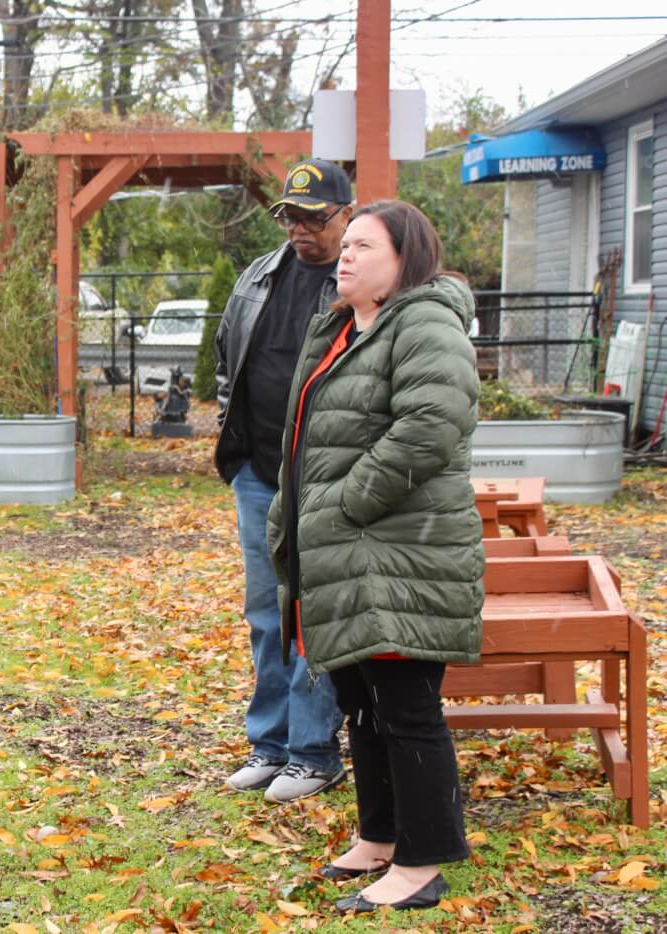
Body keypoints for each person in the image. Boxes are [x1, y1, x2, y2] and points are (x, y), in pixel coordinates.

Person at [267, 200, 483, 912]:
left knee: (406, 704)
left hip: (400, 553)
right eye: (347, 245)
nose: (346, 256)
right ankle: (382, 836)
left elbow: (433, 424)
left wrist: (348, 501)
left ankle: (424, 860)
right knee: (361, 701)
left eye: (364, 245)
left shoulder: (422, 320)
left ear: (404, 259)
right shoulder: (339, 327)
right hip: (346, 552)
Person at [212, 160, 351, 802]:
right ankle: (268, 746)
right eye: (290, 216)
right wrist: (231, 432)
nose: (299, 228)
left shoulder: (357, 285)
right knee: (266, 613)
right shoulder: (259, 277)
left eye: (313, 217)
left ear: (346, 215)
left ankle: (314, 752)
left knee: (313, 614)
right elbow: (226, 358)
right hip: (258, 474)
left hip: (325, 479)